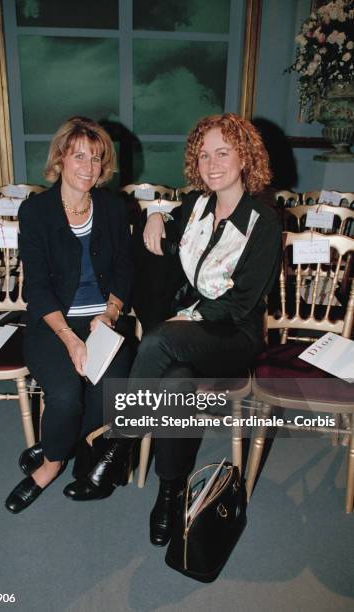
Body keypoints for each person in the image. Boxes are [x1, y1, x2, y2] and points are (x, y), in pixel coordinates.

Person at [63, 113, 282, 546]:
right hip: (189, 336)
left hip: (232, 335)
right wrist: (158, 216)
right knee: (176, 381)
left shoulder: (264, 222)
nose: (212, 163)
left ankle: (118, 444)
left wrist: (190, 317)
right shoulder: (198, 206)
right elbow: (165, 228)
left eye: (223, 152)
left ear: (245, 157)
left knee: (161, 339)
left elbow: (241, 304)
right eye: (204, 155)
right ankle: (169, 494)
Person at [5, 116, 133, 514]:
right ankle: (52, 462)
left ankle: (63, 441)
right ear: (61, 157)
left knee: (106, 392)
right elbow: (37, 287)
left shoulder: (113, 208)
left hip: (104, 323)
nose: (88, 167)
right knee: (63, 397)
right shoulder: (36, 212)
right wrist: (70, 337)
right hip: (53, 323)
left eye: (96, 159)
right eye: (79, 155)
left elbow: (127, 270)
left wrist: (109, 314)